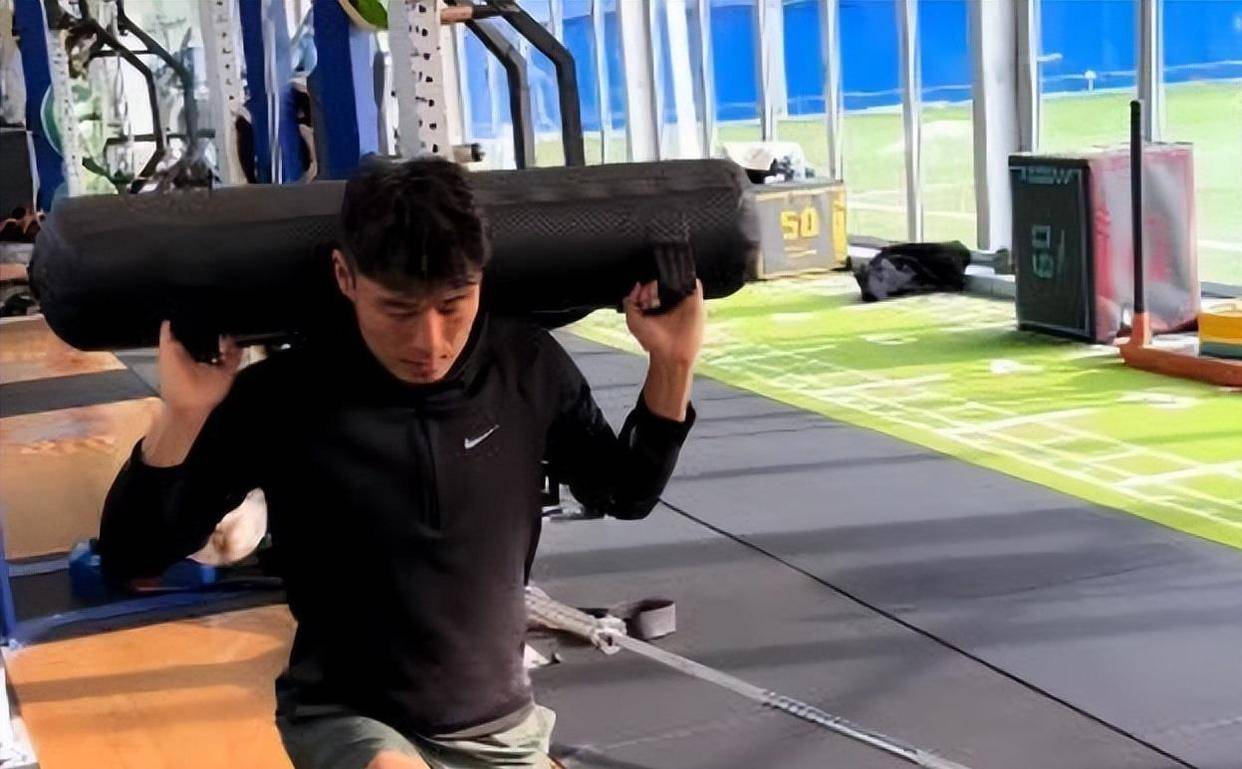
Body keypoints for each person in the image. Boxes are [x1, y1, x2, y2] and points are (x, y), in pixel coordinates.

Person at [97, 157, 704, 769]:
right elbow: (132, 557)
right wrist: (183, 415)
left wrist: (672, 365)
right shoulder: (284, 395)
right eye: (399, 310)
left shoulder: (526, 366)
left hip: (501, 721)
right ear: (346, 276)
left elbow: (623, 492)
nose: (429, 343)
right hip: (350, 716)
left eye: (454, 304)